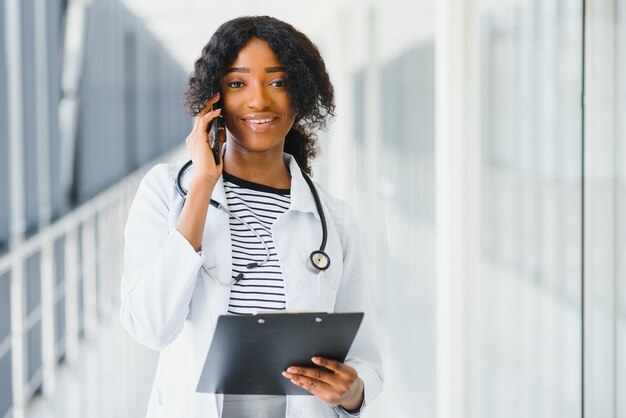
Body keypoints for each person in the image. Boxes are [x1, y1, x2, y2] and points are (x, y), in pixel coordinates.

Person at [119, 15, 383, 418]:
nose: (259, 100)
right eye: (238, 83)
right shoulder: (168, 191)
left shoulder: (334, 220)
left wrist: (352, 391)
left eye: (277, 82)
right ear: (214, 98)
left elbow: (363, 357)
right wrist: (203, 185)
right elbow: (151, 327)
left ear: (301, 94)